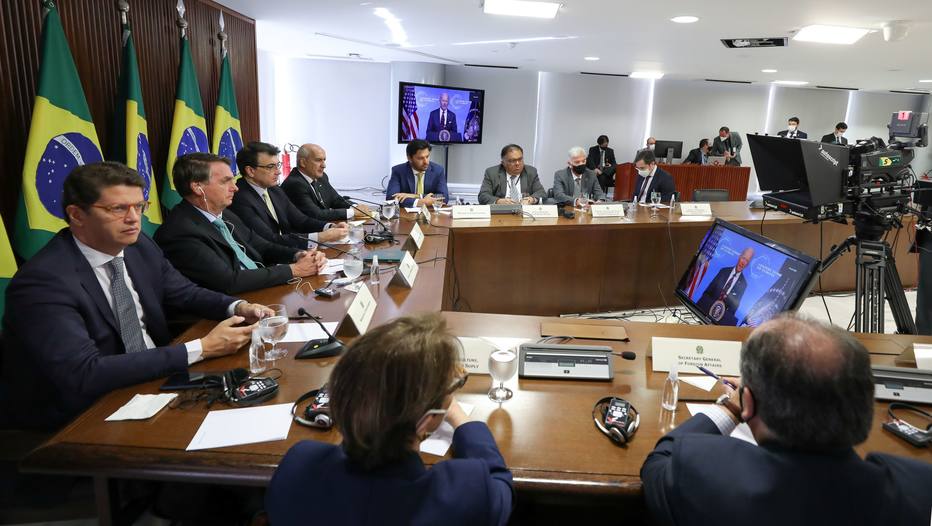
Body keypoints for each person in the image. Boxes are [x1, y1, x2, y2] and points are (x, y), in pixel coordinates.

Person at [0, 162, 270, 429]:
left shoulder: (139, 245)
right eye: (118, 208)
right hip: (84, 412)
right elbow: (83, 373)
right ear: (77, 215)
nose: (133, 218)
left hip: (157, 380)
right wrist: (202, 347)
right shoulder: (43, 282)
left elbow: (185, 293)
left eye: (139, 206)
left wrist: (238, 307)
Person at [641, 314, 932, 526]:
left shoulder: (703, 471)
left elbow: (659, 461)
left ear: (749, 403)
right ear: (864, 404)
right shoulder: (916, 489)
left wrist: (730, 406)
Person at [265, 313, 514, 525]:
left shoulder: (298, 466)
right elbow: (499, 483)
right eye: (454, 384)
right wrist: (460, 418)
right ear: (426, 421)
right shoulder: (464, 492)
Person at [155, 153, 326, 295]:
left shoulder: (226, 214)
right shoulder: (179, 231)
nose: (235, 188)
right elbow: (228, 281)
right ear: (197, 187)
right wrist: (294, 270)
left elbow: (263, 246)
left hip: (260, 292)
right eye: (225, 181)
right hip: (226, 311)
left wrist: (300, 255)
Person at [229, 142, 348, 251]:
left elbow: (301, 220)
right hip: (269, 261)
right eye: (271, 167)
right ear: (250, 171)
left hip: (291, 251)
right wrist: (320, 237)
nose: (278, 172)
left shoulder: (274, 190)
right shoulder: (239, 198)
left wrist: (330, 226)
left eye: (278, 165)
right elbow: (269, 239)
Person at [280, 143, 373, 222]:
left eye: (324, 160)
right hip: (303, 236)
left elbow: (335, 200)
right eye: (318, 160)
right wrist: (353, 212)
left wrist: (356, 207)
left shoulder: (322, 177)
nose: (324, 165)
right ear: (303, 163)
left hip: (325, 228)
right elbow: (316, 214)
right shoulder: (295, 184)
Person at [695, 247, 754, 325]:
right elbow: (708, 292)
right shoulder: (723, 271)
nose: (743, 262)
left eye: (747, 261)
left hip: (720, 321)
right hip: (705, 312)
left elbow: (733, 310)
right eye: (743, 258)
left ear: (748, 264)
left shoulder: (743, 284)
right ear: (739, 257)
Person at [386, 139, 450, 208]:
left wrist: (415, 196)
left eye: (427, 156)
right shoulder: (398, 171)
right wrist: (420, 202)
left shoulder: (438, 170)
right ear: (409, 158)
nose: (426, 162)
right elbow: (391, 198)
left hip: (431, 215)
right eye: (420, 158)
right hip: (406, 215)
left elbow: (444, 197)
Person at [478, 144, 547, 205]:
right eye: (513, 161)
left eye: (520, 159)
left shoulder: (530, 171)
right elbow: (483, 196)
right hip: (501, 213)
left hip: (524, 212)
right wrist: (498, 201)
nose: (517, 163)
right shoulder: (492, 173)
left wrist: (531, 199)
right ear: (503, 163)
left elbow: (541, 192)